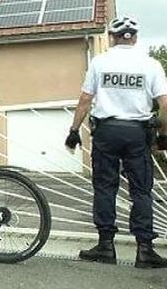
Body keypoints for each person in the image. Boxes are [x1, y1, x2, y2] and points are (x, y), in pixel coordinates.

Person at [65, 16, 167, 268]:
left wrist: (74, 130)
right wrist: (163, 135)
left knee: (105, 188)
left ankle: (105, 246)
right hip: (137, 133)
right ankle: (145, 250)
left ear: (112, 37)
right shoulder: (151, 65)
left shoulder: (100, 62)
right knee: (141, 190)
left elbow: (85, 100)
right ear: (136, 37)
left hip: (106, 133)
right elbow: (165, 103)